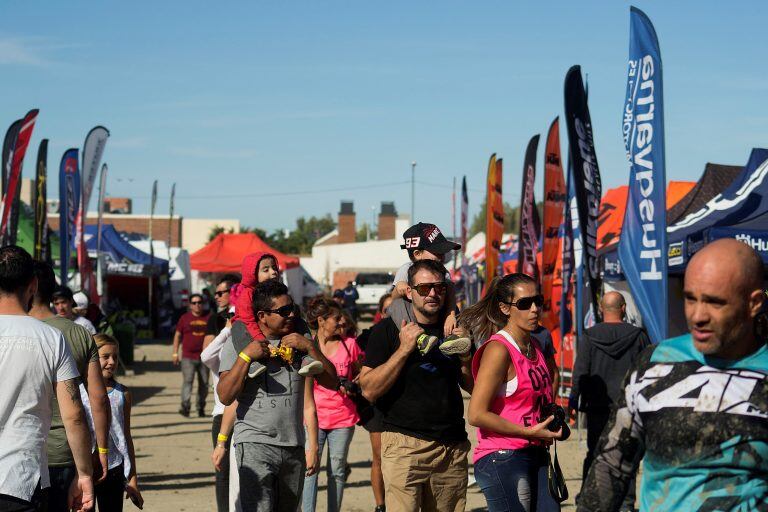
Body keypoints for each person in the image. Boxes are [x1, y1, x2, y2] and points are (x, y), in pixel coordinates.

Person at [578, 239, 768, 512]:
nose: (697, 316)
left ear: (754, 303)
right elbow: (611, 465)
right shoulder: (655, 363)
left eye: (715, 302)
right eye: (690, 298)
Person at [360, 259, 473, 512]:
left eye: (439, 288)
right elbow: (368, 389)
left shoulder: (456, 330)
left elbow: (474, 388)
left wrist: (465, 357)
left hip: (450, 448)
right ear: (409, 292)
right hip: (404, 445)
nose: (432, 293)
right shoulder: (387, 330)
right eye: (424, 288)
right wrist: (403, 350)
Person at [217, 280, 338, 511]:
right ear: (262, 316)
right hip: (255, 443)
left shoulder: (301, 339)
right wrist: (246, 357)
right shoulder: (239, 342)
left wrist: (310, 348)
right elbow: (224, 395)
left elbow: (332, 382)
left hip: (293, 445)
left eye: (291, 307)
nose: (291, 314)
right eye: (283, 311)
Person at [0, 246, 94, 512]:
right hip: (20, 480)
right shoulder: (51, 338)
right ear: (33, 285)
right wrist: (84, 474)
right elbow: (73, 414)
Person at [462, 273, 564, 512]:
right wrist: (526, 431)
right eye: (524, 303)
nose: (535, 309)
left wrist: (550, 422)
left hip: (536, 452)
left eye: (538, 301)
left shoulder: (535, 345)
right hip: (503, 455)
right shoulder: (499, 349)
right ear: (505, 308)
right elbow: (476, 414)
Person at [29, 261, 111, 512]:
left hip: (20, 453)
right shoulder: (78, 333)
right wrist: (102, 450)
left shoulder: (8, 332)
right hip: (65, 452)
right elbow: (98, 398)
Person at [569, 291, 650, 510]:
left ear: (601, 309)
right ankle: (625, 503)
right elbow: (647, 371)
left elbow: (580, 371)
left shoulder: (590, 335)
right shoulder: (639, 336)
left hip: (596, 406)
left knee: (595, 452)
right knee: (626, 455)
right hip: (628, 407)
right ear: (623, 308)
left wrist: (573, 401)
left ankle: (588, 499)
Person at [302, 297, 362, 512]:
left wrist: (354, 384)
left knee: (336, 470)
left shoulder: (350, 345)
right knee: (310, 469)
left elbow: (361, 373)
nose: (341, 322)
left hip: (343, 418)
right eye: (336, 318)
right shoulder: (307, 346)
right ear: (321, 321)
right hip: (312, 418)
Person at [232, 252, 322, 379]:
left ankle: (305, 358)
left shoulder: (281, 291)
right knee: (237, 327)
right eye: (266, 270)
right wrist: (261, 340)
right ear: (252, 274)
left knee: (298, 321)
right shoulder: (247, 295)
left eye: (274, 268)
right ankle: (252, 363)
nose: (273, 272)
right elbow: (248, 321)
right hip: (251, 331)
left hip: (276, 332)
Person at [80, 334, 143, 511]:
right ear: (90, 358)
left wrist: (132, 479)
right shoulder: (78, 392)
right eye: (105, 356)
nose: (112, 362)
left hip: (114, 466)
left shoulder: (123, 394)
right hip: (85, 467)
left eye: (115, 357)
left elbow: (126, 437)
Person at [388, 222, 470, 355]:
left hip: (437, 315)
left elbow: (450, 292)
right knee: (396, 305)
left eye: (443, 252)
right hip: (409, 318)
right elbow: (393, 300)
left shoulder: (443, 272)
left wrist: (451, 316)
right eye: (437, 252)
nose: (442, 257)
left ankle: (453, 339)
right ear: (417, 254)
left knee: (453, 309)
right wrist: (399, 289)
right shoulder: (406, 269)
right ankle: (421, 339)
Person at [201, 273, 239, 512]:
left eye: (221, 292)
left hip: (248, 415)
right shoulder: (218, 326)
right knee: (224, 474)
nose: (217, 297)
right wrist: (226, 330)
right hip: (221, 412)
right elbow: (205, 355)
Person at [171, 293, 210, 417]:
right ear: (190, 305)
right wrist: (175, 353)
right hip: (188, 356)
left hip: (205, 357)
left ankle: (200, 407)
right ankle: (185, 407)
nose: (197, 305)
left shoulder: (209, 317)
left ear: (203, 304)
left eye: (199, 302)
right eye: (194, 303)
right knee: (188, 381)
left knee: (204, 383)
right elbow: (177, 336)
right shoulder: (184, 318)